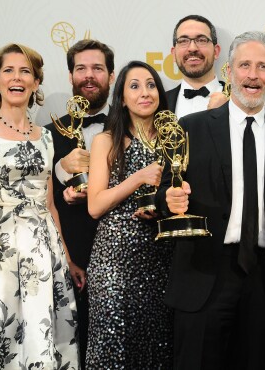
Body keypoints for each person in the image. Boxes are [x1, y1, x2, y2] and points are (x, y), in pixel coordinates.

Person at [158, 31, 265, 370]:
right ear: (228, 72)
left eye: (262, 67)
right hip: (204, 273)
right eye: (244, 65)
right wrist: (169, 199)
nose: (253, 75)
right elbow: (164, 193)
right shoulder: (191, 127)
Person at [0, 43, 80, 368]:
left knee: (42, 337)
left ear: (35, 81)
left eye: (25, 71)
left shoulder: (45, 137)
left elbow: (50, 204)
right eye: (9, 71)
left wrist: (67, 260)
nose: (17, 77)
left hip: (44, 253)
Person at [86, 60, 173, 368]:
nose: (144, 93)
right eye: (134, 86)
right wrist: (137, 177)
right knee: (112, 349)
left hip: (160, 260)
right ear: (122, 97)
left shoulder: (173, 142)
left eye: (151, 85)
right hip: (114, 265)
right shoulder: (106, 141)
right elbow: (95, 205)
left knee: (154, 350)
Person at [44, 38, 115, 367]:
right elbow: (36, 198)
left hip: (123, 260)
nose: (89, 76)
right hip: (71, 259)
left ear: (111, 76)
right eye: (81, 69)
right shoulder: (46, 134)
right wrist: (61, 174)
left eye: (97, 68)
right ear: (70, 76)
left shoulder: (133, 126)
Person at [167, 14, 228, 117]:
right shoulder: (159, 103)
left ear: (216, 51)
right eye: (183, 41)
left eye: (201, 40)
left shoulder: (238, 100)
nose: (192, 48)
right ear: (173, 54)